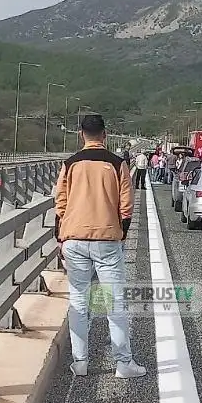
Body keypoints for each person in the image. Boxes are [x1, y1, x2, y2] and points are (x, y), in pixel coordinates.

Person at [55, 114, 147, 379]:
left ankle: (80, 362)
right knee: (115, 303)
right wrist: (121, 234)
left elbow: (60, 203)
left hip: (74, 238)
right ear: (104, 135)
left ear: (81, 135)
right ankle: (123, 363)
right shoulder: (117, 164)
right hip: (107, 239)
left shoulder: (70, 164)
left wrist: (61, 237)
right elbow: (126, 207)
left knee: (78, 302)